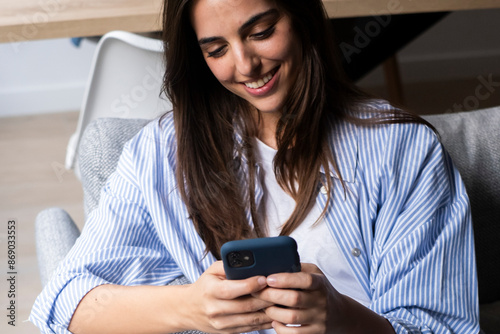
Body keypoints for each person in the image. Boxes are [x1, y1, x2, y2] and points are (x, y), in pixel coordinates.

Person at [30, 0, 479, 333]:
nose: (245, 66)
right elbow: (64, 302)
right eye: (216, 49)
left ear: (301, 18)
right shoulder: (161, 153)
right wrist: (192, 306)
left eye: (261, 31)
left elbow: (443, 327)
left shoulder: (402, 152)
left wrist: (339, 316)